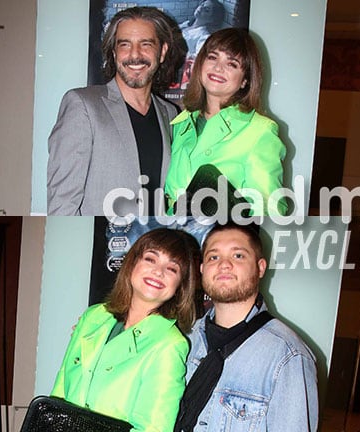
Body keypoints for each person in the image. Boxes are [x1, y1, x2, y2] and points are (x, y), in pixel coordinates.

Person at [51, 228, 200, 431]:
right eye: (150, 259)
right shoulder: (93, 316)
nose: (158, 271)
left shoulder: (170, 344)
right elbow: (58, 397)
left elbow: (153, 429)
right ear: (131, 264)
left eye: (172, 269)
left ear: (179, 286)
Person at [175, 222, 318, 432]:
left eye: (238, 256)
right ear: (203, 269)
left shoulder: (288, 356)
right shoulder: (184, 339)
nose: (224, 264)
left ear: (260, 267)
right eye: (214, 257)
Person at [47, 6, 181, 217]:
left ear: (162, 52)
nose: (135, 55)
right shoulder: (83, 105)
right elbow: (62, 202)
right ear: (113, 52)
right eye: (124, 45)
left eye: (146, 44)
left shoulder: (170, 113)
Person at [164, 28, 287, 217]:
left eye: (232, 64)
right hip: (175, 239)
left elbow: (271, 209)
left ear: (245, 80)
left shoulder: (260, 130)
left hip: (221, 241)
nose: (218, 68)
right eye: (213, 57)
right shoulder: (180, 123)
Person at [177, 0, 225, 88]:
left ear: (211, 19)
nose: (201, 8)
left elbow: (196, 61)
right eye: (202, 5)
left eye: (206, 10)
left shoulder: (204, 37)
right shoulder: (186, 24)